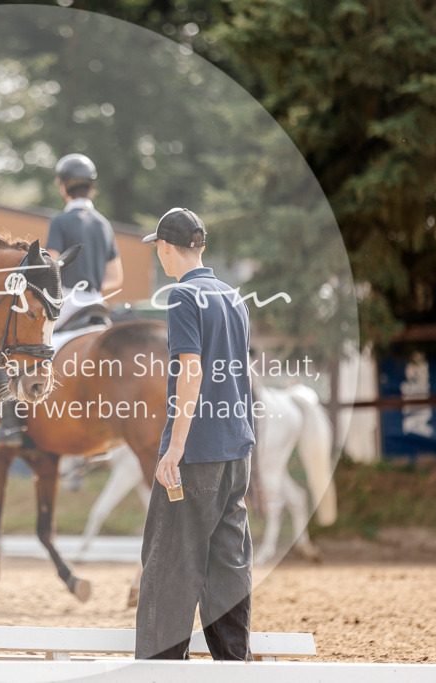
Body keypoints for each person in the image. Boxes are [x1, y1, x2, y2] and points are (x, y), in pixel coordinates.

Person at [135, 208, 255, 661]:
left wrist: (176, 447)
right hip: (235, 451)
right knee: (228, 565)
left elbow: (192, 370)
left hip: (197, 452)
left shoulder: (183, 296)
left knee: (168, 566)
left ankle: (158, 672)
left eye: (158, 249)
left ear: (166, 247)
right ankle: (233, 665)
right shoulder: (233, 297)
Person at [0, 153, 122, 447]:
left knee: (6, 346)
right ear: (92, 187)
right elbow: (117, 277)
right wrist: (94, 288)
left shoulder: (61, 220)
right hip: (97, 304)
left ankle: (10, 425)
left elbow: (52, 269)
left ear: (62, 187)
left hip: (68, 302)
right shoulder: (104, 224)